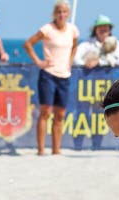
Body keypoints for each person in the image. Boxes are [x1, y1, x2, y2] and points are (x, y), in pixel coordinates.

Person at [23, 0, 80, 156]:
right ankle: (41, 150)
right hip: (48, 74)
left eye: (64, 12)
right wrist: (38, 61)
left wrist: (70, 61)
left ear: (68, 13)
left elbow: (75, 45)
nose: (61, 15)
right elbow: (28, 44)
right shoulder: (47, 29)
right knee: (45, 112)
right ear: (54, 13)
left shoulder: (72, 30)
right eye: (59, 12)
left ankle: (56, 150)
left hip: (64, 75)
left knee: (60, 114)